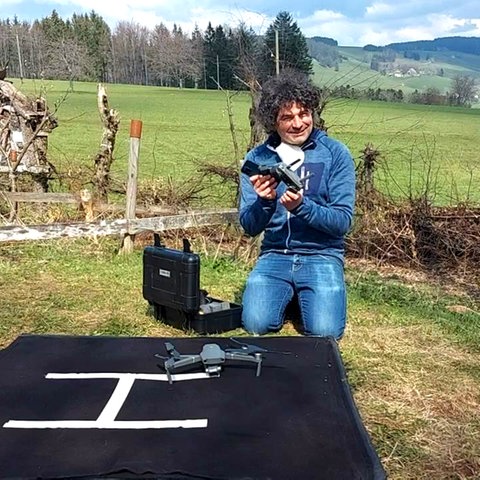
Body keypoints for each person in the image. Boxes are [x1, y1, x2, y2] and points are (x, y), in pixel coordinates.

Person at [239, 71, 355, 339]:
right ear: (273, 122)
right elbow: (248, 226)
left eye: (304, 113)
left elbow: (342, 222)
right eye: (287, 117)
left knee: (325, 332)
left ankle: (306, 293)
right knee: (256, 324)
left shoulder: (336, 154)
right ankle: (291, 293)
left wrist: (302, 207)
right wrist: (265, 203)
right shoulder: (257, 158)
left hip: (322, 254)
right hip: (275, 254)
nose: (298, 123)